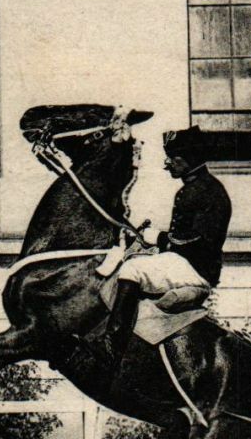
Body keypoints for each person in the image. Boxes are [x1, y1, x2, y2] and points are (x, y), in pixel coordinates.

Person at [89, 125, 232, 371]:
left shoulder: (209, 192)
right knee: (131, 259)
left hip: (197, 270)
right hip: (184, 262)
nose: (168, 164)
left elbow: (198, 242)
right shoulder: (194, 188)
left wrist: (158, 239)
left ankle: (113, 344)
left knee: (132, 269)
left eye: (173, 158)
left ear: (190, 159)